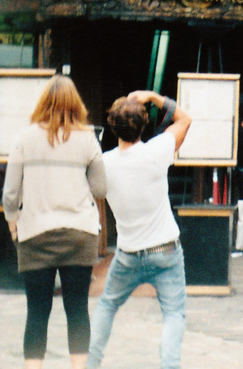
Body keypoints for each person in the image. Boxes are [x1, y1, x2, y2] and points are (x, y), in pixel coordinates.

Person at [3, 75, 106, 369]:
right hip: (79, 234)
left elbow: (10, 193)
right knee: (77, 310)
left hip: (34, 233)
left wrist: (13, 223)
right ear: (76, 104)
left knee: (36, 311)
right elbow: (100, 189)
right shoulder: (88, 139)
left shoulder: (24, 138)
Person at [86, 89, 192, 369]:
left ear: (113, 127)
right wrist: (155, 98)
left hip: (128, 252)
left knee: (107, 305)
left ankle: (90, 363)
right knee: (173, 315)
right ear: (143, 124)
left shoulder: (104, 163)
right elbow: (185, 119)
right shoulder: (157, 151)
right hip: (166, 248)